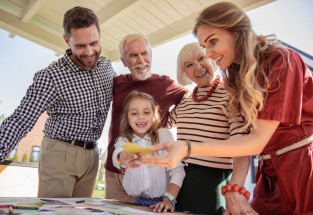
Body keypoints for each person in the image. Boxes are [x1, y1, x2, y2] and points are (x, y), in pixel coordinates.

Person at [141, 2, 313, 215]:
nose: (210, 54)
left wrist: (187, 148)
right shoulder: (236, 79)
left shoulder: (280, 60)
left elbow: (254, 141)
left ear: (237, 30)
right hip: (267, 174)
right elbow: (243, 140)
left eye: (213, 42)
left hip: (300, 169)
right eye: (205, 46)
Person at [0, 6, 116, 198]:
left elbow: (125, 94)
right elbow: (21, 120)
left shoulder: (106, 67)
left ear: (100, 34)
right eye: (80, 46)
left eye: (94, 43)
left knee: (81, 212)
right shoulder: (52, 77)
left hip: (92, 156)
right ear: (66, 40)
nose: (89, 52)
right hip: (60, 154)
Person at [169, 42, 250, 215]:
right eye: (189, 65)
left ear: (212, 59)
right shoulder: (185, 99)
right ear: (184, 72)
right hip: (181, 180)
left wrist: (236, 189)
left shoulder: (230, 94)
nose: (197, 67)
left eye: (201, 58)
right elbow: (161, 124)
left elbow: (242, 144)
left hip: (214, 181)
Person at [104, 34, 187, 202]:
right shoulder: (116, 83)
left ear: (151, 55)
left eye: (144, 53)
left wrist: (168, 121)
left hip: (153, 171)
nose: (141, 60)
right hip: (116, 171)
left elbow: (192, 100)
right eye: (133, 55)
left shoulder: (166, 84)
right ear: (124, 61)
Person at [112, 90, 185, 213]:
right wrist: (122, 157)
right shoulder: (124, 141)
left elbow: (178, 171)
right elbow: (117, 158)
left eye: (146, 112)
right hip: (135, 203)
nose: (141, 117)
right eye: (134, 113)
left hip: (164, 204)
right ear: (127, 117)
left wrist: (168, 200)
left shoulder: (164, 136)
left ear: (154, 115)